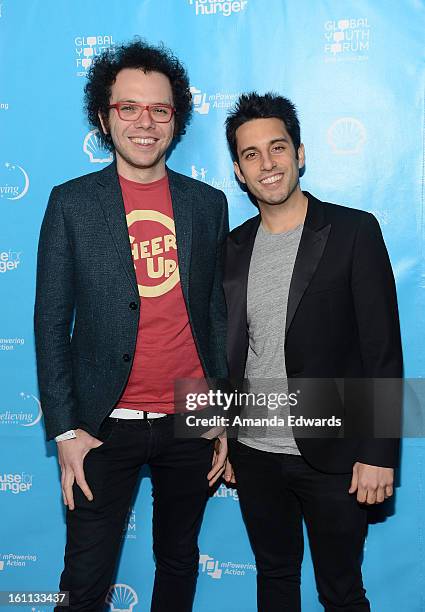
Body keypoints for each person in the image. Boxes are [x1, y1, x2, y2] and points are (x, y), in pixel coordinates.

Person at [34, 39, 229, 612]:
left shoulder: (207, 204)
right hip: (103, 423)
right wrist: (67, 432)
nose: (145, 122)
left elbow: (216, 318)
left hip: (190, 415)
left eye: (160, 109)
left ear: (176, 119)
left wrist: (221, 417)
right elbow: (49, 324)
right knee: (85, 580)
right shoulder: (70, 203)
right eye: (129, 108)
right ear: (105, 116)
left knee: (179, 561)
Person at [223, 92, 403, 611]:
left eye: (277, 147)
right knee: (274, 579)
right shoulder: (231, 249)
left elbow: (382, 352)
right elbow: (230, 352)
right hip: (254, 452)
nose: (267, 163)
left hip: (336, 452)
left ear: (299, 154)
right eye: (251, 154)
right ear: (238, 171)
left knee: (341, 592)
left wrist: (377, 452)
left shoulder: (353, 231)